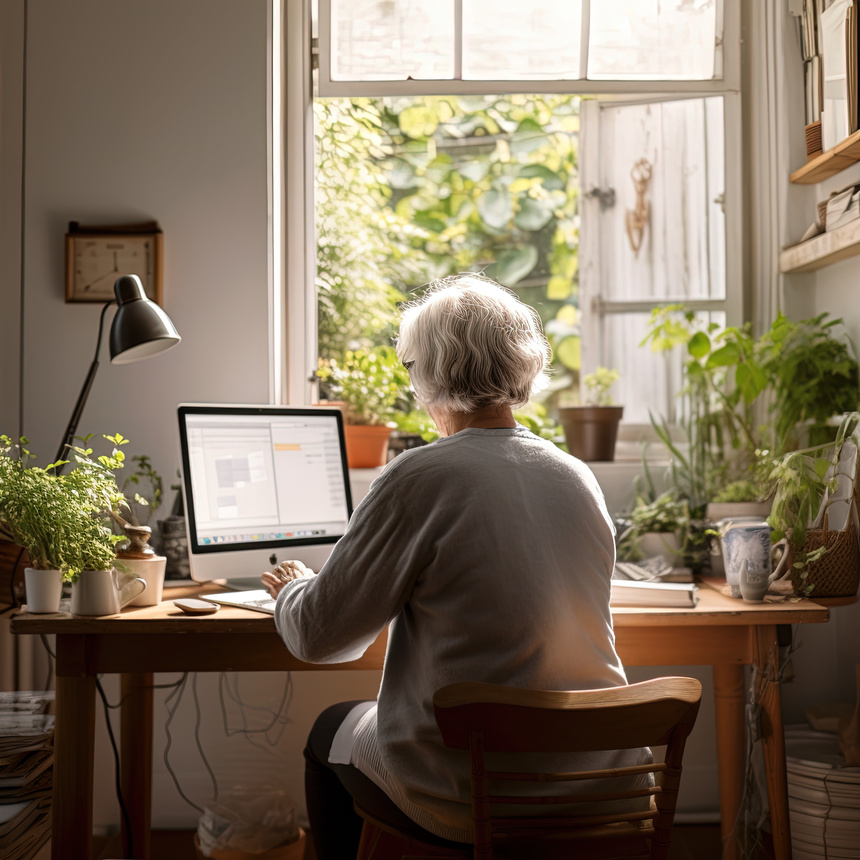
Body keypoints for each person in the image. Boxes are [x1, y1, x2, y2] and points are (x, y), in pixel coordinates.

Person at [262, 274, 648, 859]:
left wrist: (293, 591)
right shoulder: (576, 476)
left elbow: (320, 637)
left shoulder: (419, 477)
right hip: (597, 782)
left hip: (472, 787)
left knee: (328, 731)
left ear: (428, 374)